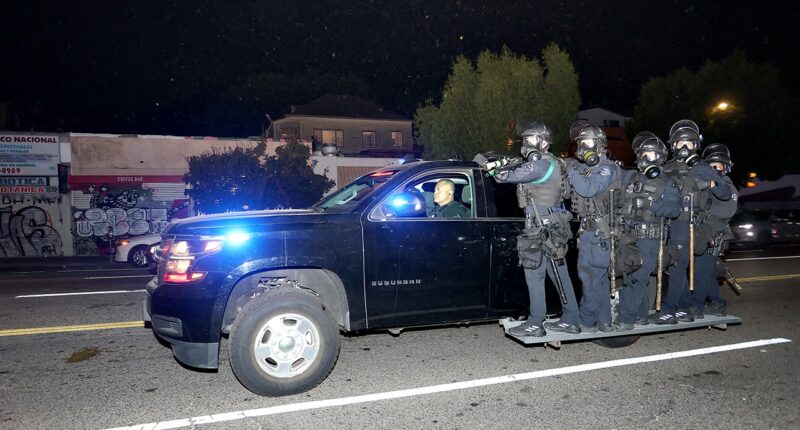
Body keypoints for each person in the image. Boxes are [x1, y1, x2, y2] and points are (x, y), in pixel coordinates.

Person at [484, 120, 580, 336]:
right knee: (558, 274)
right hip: (549, 225)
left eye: (532, 139)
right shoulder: (552, 162)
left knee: (534, 273)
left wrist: (494, 166)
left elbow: (507, 177)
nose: (527, 143)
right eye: (525, 139)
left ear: (545, 143)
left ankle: (536, 323)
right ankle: (571, 318)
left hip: (542, 227)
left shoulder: (542, 165)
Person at [650, 120, 733, 324]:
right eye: (680, 143)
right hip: (667, 224)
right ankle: (683, 308)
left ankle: (670, 310)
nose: (684, 147)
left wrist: (709, 182)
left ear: (696, 145)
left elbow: (724, 193)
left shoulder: (703, 168)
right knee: (672, 268)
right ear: (673, 145)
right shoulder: (667, 167)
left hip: (687, 225)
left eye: (689, 143)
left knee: (678, 267)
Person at [613, 132, 682, 330]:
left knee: (638, 277)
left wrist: (649, 203)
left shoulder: (668, 181)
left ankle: (626, 319)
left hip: (650, 237)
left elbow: (674, 209)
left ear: (660, 158)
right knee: (629, 275)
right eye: (642, 154)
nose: (645, 158)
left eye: (650, 155)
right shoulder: (631, 177)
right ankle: (641, 315)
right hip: (629, 235)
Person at [565, 121, 622, 333]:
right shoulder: (586, 169)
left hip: (599, 233)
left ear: (599, 145)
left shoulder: (607, 168)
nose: (583, 148)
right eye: (581, 144)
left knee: (589, 278)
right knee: (599, 280)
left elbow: (589, 190)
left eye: (587, 142)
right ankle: (604, 321)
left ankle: (586, 321)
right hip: (589, 232)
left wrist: (571, 171)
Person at [691, 143, 738, 317]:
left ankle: (696, 306)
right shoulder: (703, 185)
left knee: (701, 272)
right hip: (699, 234)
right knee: (705, 273)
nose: (714, 169)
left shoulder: (727, 186)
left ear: (725, 168)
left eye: (718, 166)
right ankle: (718, 303)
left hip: (713, 236)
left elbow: (727, 211)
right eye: (711, 166)